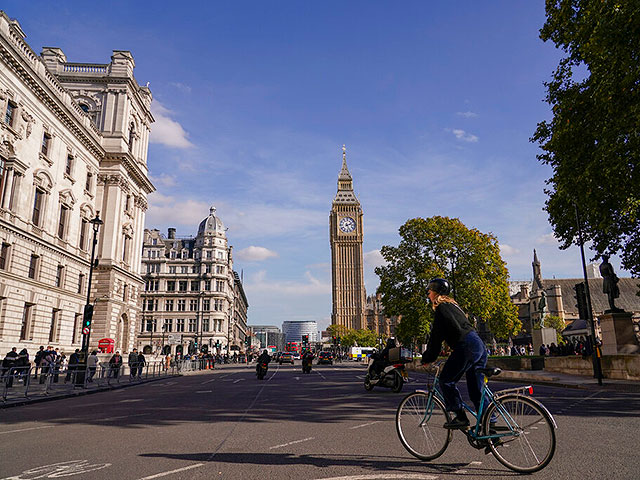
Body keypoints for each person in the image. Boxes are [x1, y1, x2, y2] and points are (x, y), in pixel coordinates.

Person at [421, 278, 488, 429]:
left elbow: (436, 337)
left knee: (446, 380)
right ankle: (490, 424)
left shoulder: (441, 309)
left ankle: (460, 416)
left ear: (436, 292)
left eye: (430, 292)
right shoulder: (454, 306)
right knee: (476, 389)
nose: (428, 295)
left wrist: (428, 358)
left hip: (467, 346)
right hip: (478, 345)